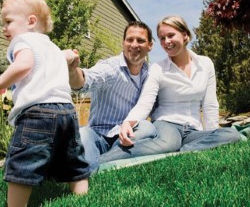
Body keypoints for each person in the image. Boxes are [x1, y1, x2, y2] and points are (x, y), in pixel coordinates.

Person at [0, 0, 91, 207]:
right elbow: (65, 59)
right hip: (67, 111)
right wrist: (70, 56)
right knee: (72, 159)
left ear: (30, 22)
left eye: (8, 22)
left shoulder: (22, 40)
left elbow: (24, 65)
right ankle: (83, 199)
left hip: (38, 112)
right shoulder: (52, 46)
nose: (4, 28)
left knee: (25, 160)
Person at [99, 15, 242, 164]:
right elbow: (145, 103)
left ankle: (178, 153)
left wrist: (212, 135)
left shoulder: (205, 64)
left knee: (231, 135)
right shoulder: (158, 68)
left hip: (193, 130)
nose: (166, 41)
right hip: (167, 124)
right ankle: (101, 161)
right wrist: (128, 122)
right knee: (169, 143)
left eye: (170, 35)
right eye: (162, 38)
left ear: (185, 35)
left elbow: (210, 104)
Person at [65, 21, 157, 172]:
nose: (134, 45)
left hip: (126, 136)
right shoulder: (111, 67)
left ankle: (99, 163)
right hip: (98, 135)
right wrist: (73, 72)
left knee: (148, 128)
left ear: (150, 45)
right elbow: (87, 80)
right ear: (123, 43)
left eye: (140, 40)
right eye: (130, 40)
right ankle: (102, 163)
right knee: (82, 133)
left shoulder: (150, 73)